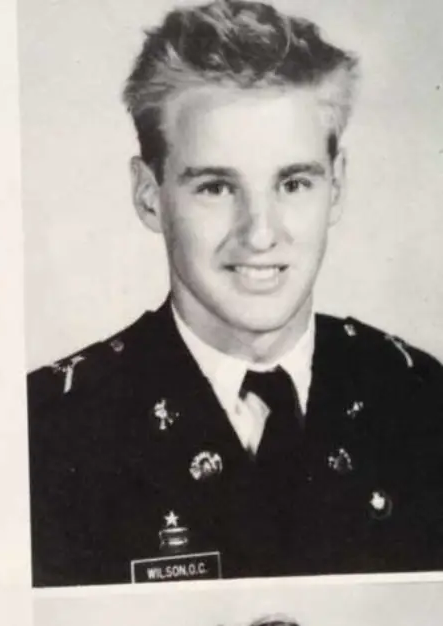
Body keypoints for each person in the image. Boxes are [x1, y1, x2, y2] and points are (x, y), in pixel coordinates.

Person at [27, 0, 443, 587]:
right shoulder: (50, 431)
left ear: (338, 187)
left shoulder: (421, 403)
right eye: (217, 186)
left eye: (294, 182)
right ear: (150, 196)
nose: (261, 233)